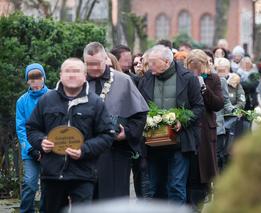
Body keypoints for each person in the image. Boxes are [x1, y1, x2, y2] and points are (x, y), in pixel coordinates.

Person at [26, 58, 114, 213]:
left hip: (83, 174)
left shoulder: (95, 103)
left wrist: (84, 150)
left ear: (85, 75)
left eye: (76, 71)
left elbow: (107, 135)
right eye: (67, 71)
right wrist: (41, 142)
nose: (71, 75)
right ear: (60, 75)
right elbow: (32, 129)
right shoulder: (46, 100)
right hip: (52, 175)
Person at [138, 45, 204, 204]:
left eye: (154, 63)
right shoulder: (146, 79)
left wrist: (182, 121)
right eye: (149, 63)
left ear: (167, 62)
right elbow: (139, 107)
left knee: (176, 186)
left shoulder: (188, 78)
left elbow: (199, 107)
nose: (150, 66)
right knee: (155, 188)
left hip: (179, 143)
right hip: (153, 144)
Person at [83, 42, 149, 199]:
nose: (93, 68)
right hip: (85, 154)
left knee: (114, 200)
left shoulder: (123, 81)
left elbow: (140, 115)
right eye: (89, 64)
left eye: (97, 63)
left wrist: (127, 133)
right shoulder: (77, 82)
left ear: (105, 59)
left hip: (115, 153)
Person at [185, 49, 224, 211]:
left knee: (203, 171)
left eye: (197, 67)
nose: (194, 70)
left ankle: (199, 203)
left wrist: (204, 89)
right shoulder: (184, 79)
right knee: (189, 170)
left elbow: (218, 104)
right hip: (187, 128)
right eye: (191, 66)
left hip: (205, 131)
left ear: (204, 65)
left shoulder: (213, 79)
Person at [16, 63, 48, 213]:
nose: (35, 81)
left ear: (43, 78)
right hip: (30, 152)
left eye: (38, 77)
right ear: (27, 80)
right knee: (30, 183)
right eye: (31, 78)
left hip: (50, 149)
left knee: (49, 185)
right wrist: (30, 150)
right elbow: (20, 128)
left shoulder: (52, 96)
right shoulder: (22, 101)